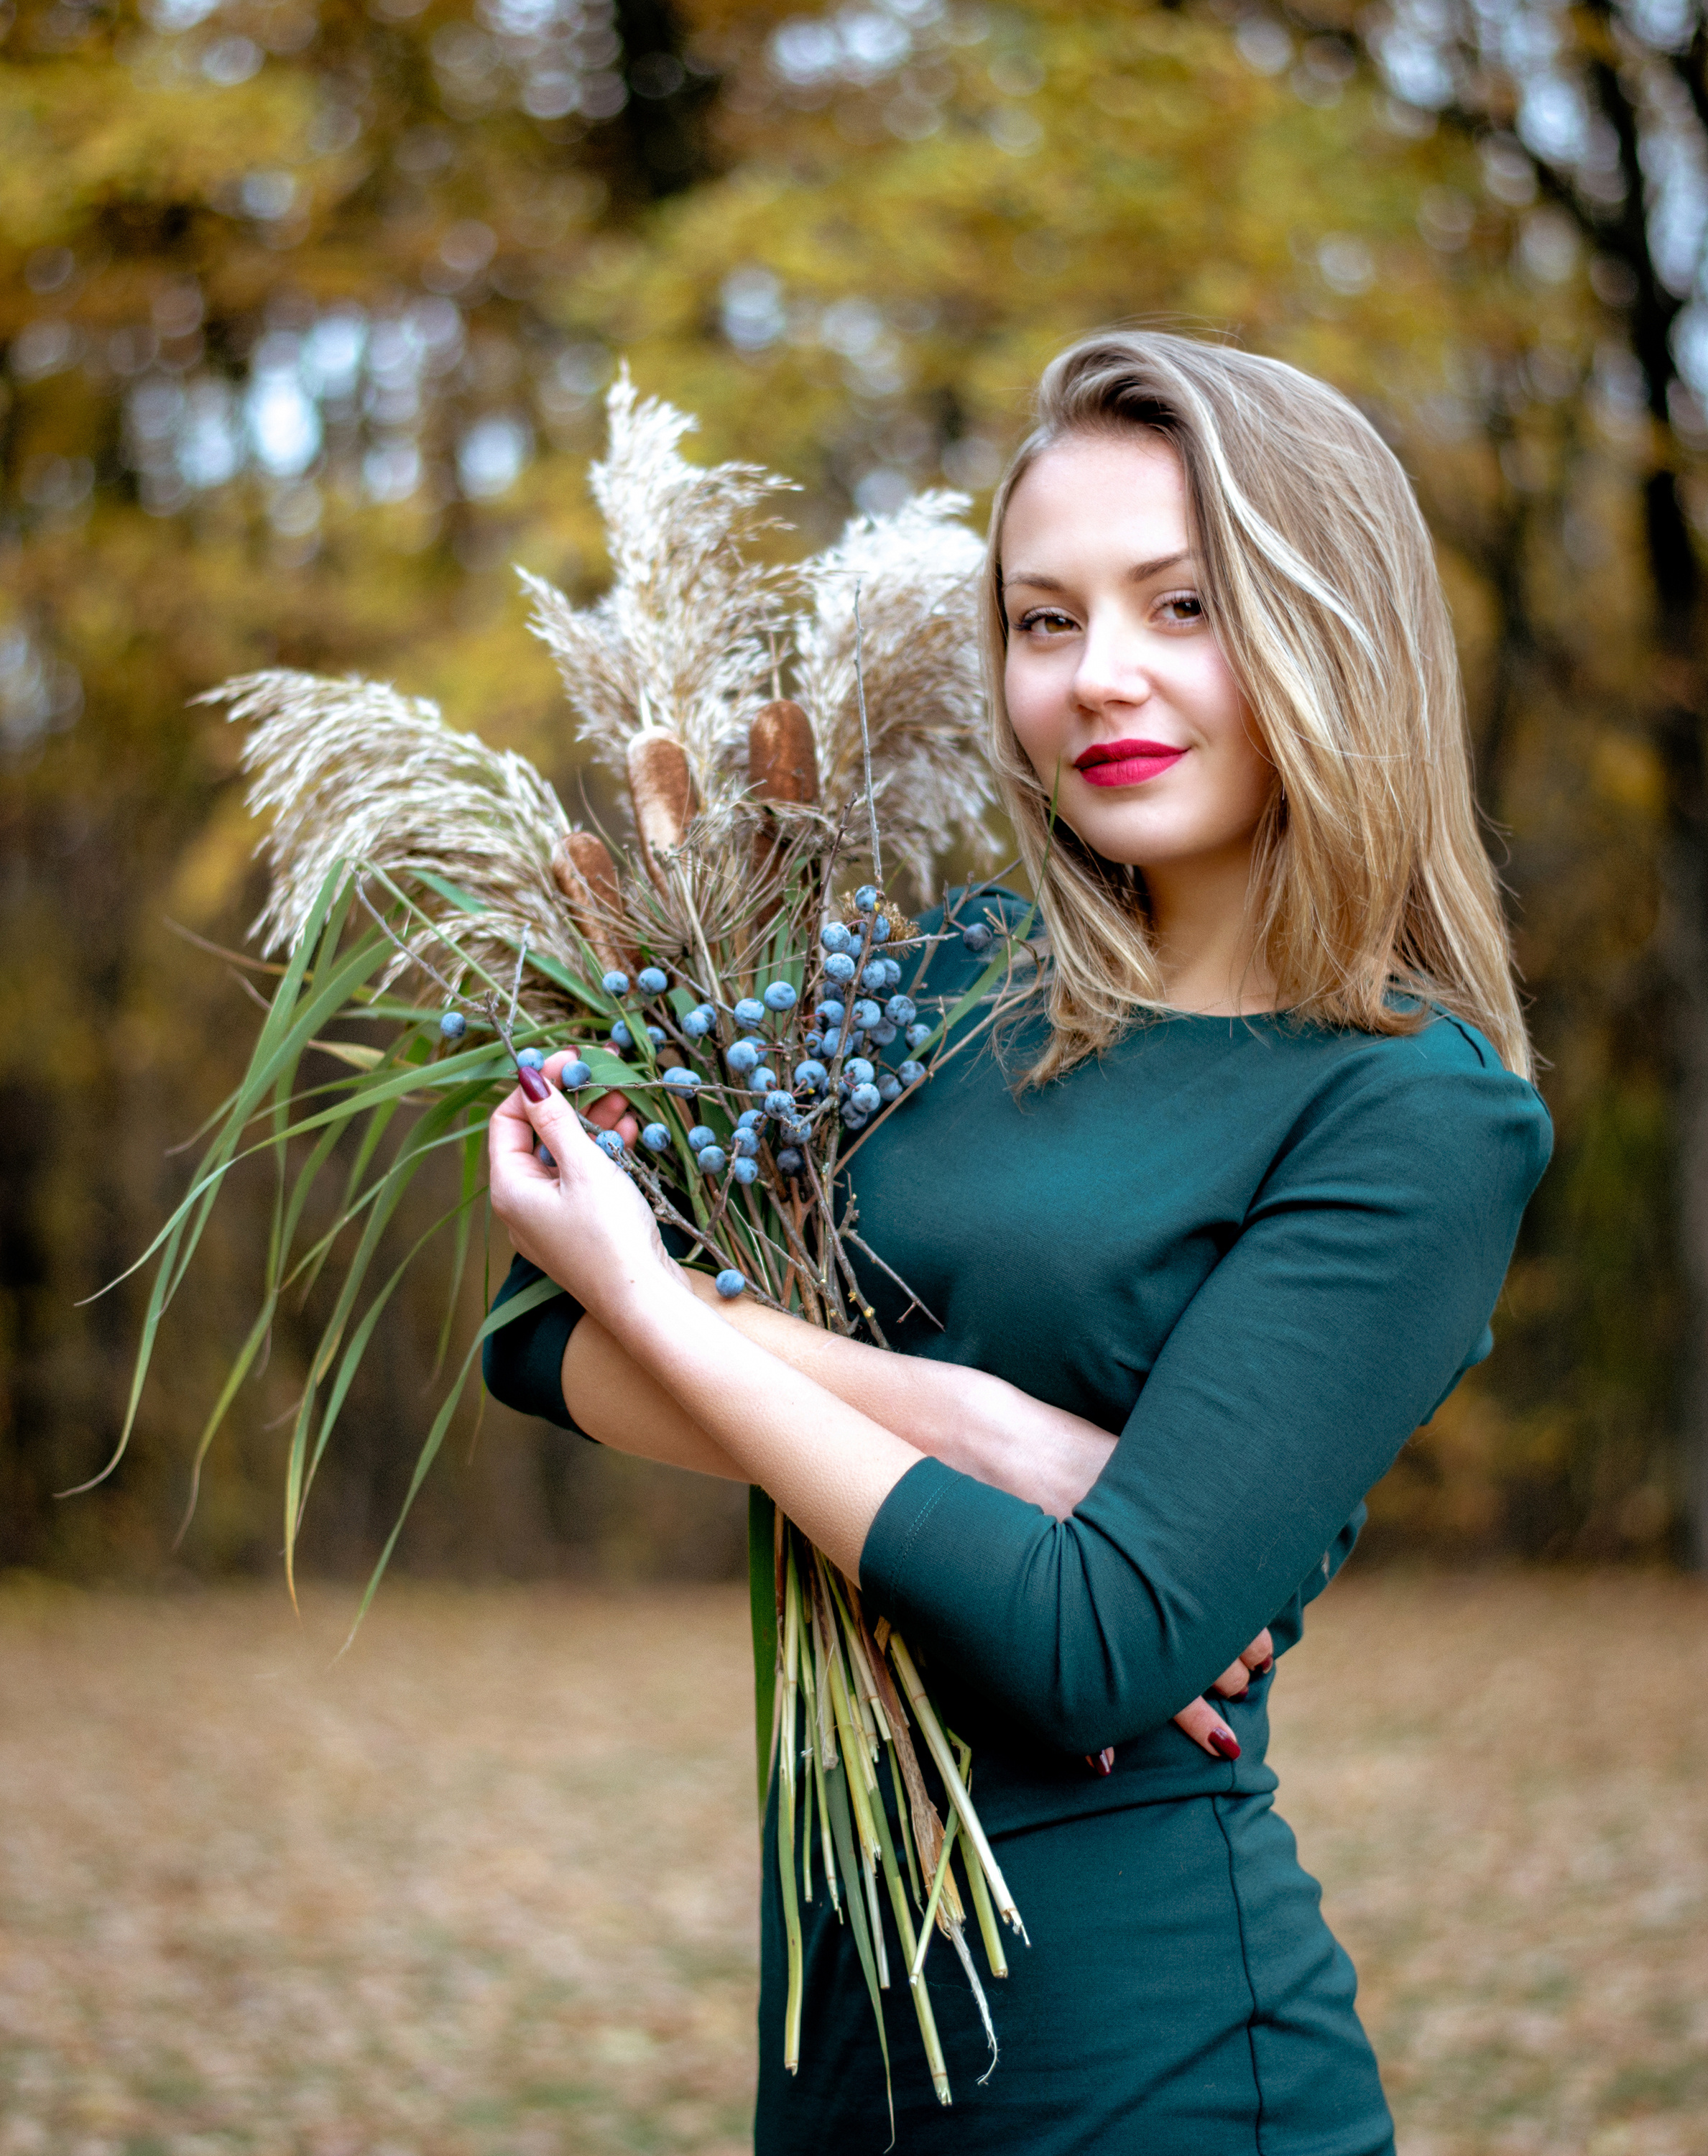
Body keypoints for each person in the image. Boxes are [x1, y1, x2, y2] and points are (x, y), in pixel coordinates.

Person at [482, 329, 1552, 2155]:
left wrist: (666, 1308)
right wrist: (969, 1423)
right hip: (837, 2053)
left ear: (1330, 625)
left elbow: (1091, 1657)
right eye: (1041, 620)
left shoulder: (1416, 1111)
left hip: (1154, 2064)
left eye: (1181, 604)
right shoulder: (949, 982)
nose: (1096, 677)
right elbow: (538, 1331)